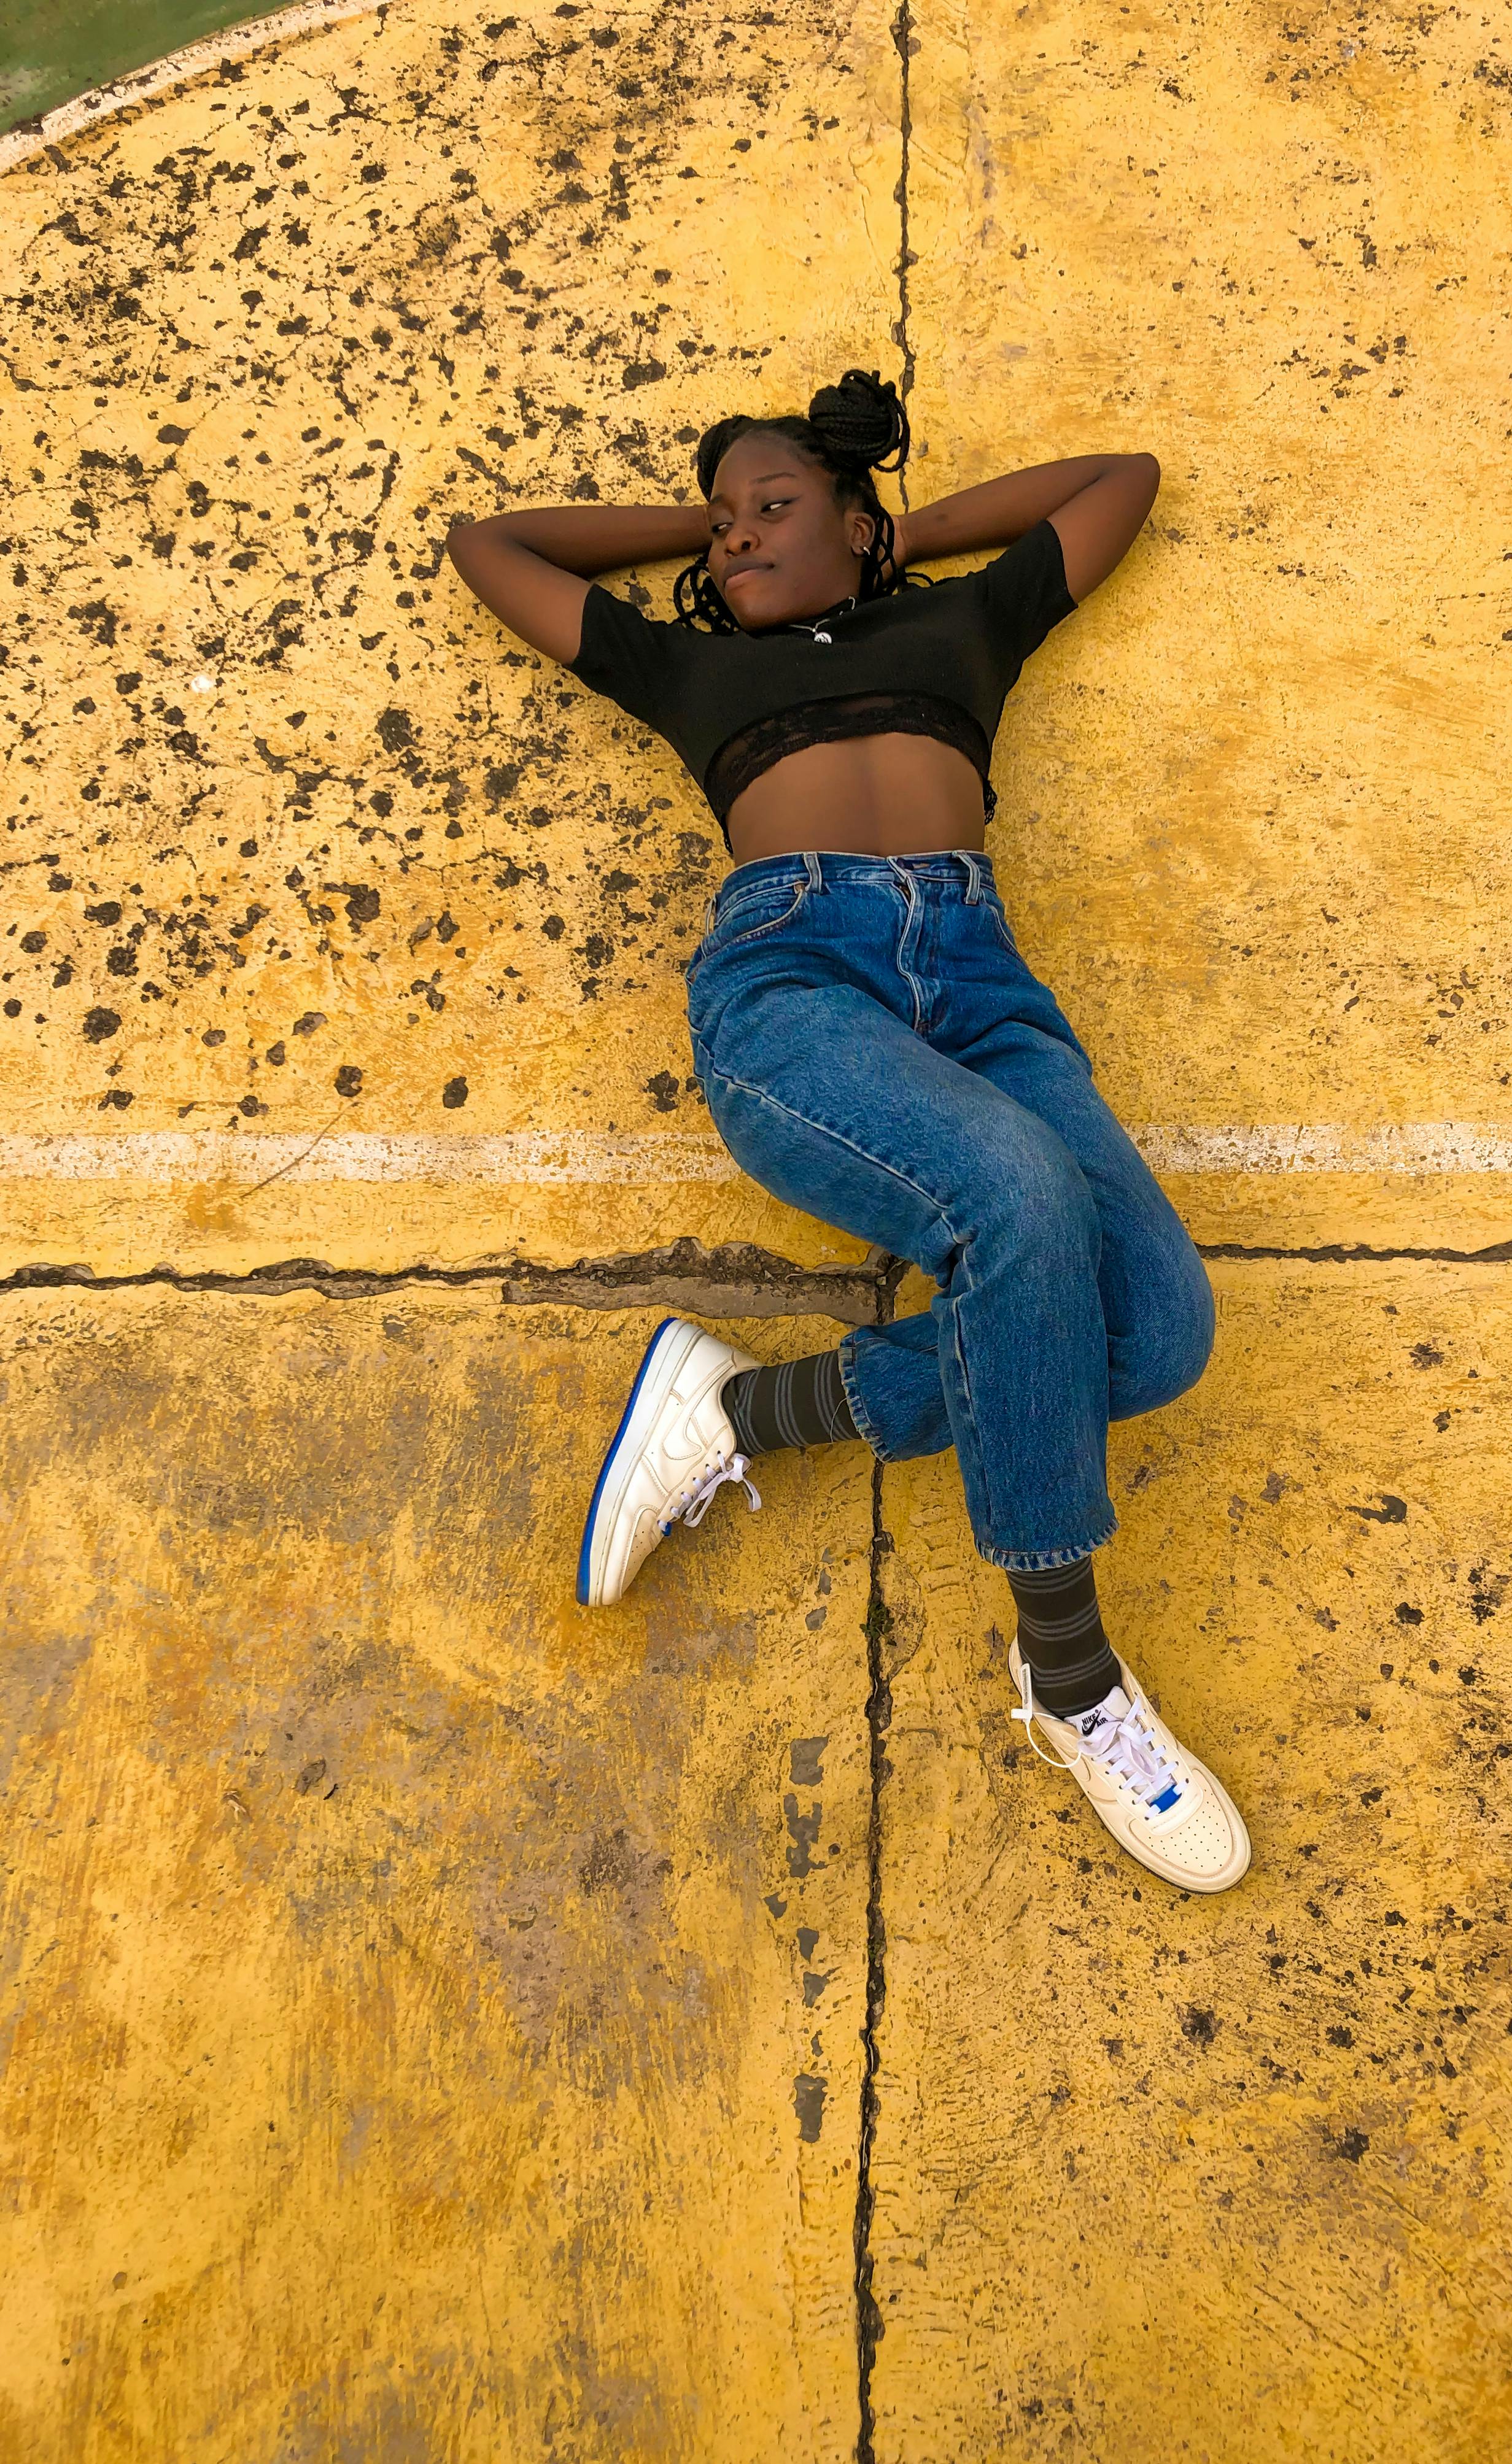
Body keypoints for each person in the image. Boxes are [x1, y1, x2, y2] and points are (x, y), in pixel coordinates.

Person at [448, 368, 1250, 1893]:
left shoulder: (957, 624)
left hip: (984, 989)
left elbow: (1120, 475)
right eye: (721, 525)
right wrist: (702, 518)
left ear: (860, 530)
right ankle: (1073, 1674)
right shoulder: (681, 664)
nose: (736, 540)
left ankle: (739, 1416)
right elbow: (494, 547)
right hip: (794, 981)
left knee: (1158, 1332)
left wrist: (902, 534)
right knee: (1016, 1200)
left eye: (772, 509)